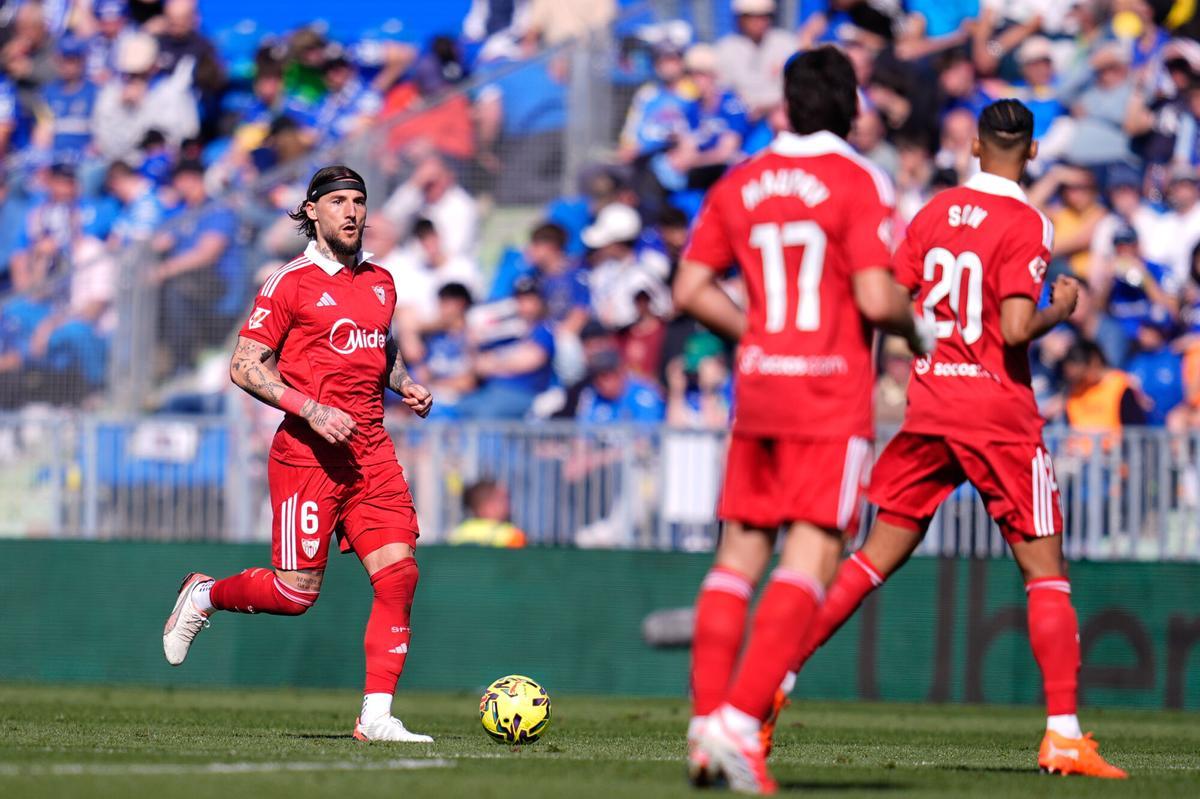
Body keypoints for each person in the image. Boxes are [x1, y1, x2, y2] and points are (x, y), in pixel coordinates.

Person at [780, 100, 1127, 779]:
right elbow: (1018, 327)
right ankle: (1062, 734)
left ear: (973, 145)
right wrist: (1062, 306)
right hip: (998, 416)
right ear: (1030, 154)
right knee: (1045, 573)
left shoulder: (933, 212)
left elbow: (890, 295)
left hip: (931, 404)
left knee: (870, 560)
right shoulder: (1029, 221)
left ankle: (773, 681)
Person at [676, 47, 935, 793]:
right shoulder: (857, 178)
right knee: (814, 554)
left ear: (784, 106)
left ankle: (705, 723)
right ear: (853, 107)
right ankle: (738, 726)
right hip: (829, 394)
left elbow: (692, 286)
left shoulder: (742, 181)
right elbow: (881, 300)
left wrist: (752, 334)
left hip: (760, 389)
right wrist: (919, 333)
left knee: (739, 554)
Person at [161, 165, 436, 743]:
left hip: (370, 454)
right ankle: (204, 593)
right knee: (295, 595)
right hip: (307, 458)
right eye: (338, 201)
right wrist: (310, 408)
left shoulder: (382, 281)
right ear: (312, 211)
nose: (352, 211)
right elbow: (244, 366)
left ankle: (377, 717)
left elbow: (378, 349)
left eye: (359, 200)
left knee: (399, 576)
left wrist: (404, 383)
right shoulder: (289, 282)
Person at [446, 479, 527, 547]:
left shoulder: (459, 533)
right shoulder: (512, 535)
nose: (509, 506)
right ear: (487, 507)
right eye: (503, 500)